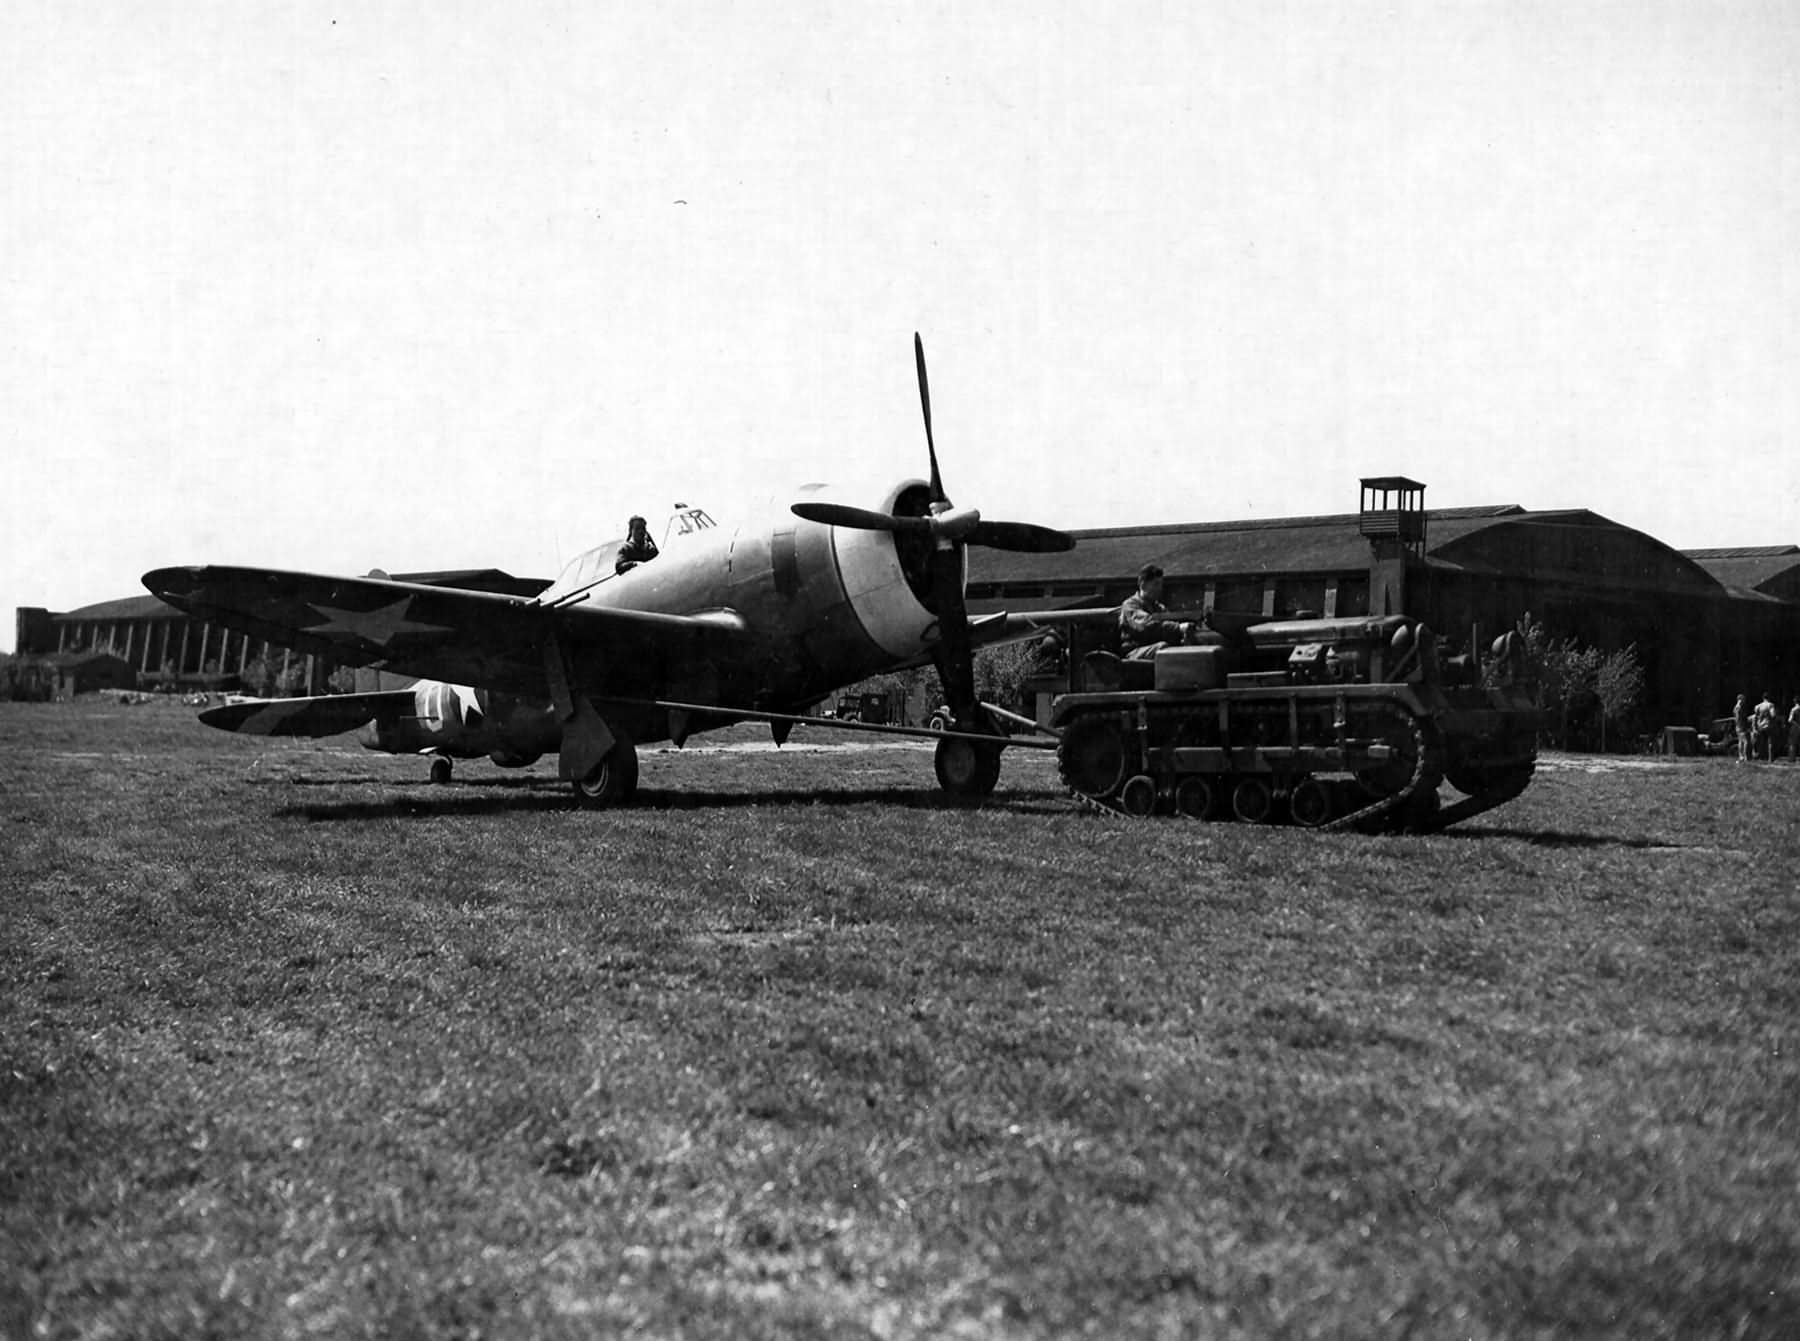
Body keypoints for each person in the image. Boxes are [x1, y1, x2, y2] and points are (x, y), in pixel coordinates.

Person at [1119, 563, 1194, 660]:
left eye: (1160, 584)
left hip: (1151, 647)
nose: (1159, 589)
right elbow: (1146, 626)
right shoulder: (1130, 606)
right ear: (1143, 584)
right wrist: (1178, 628)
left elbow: (1169, 623)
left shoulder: (1159, 608)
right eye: (1155, 584)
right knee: (1163, 649)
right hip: (1134, 652)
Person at [1753, 691, 1777, 762]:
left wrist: (1755, 727)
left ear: (1763, 698)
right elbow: (1773, 715)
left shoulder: (1758, 706)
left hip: (1760, 726)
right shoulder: (1770, 705)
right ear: (1769, 698)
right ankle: (1770, 759)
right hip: (1768, 725)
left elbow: (1755, 717)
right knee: (1770, 742)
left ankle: (1761, 758)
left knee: (1761, 743)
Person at [1733, 693, 1750, 763]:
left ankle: (1741, 756)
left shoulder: (1736, 707)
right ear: (1740, 699)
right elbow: (1738, 718)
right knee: (1745, 741)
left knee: (1740, 741)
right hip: (1741, 726)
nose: (1744, 701)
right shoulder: (1739, 707)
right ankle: (1745, 757)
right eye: (1743, 699)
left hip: (1738, 726)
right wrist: (1742, 725)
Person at [1788, 697, 1800, 764]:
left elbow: (1790, 720)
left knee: (1792, 743)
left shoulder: (1793, 709)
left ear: (1795, 702)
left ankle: (1792, 759)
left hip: (1795, 727)